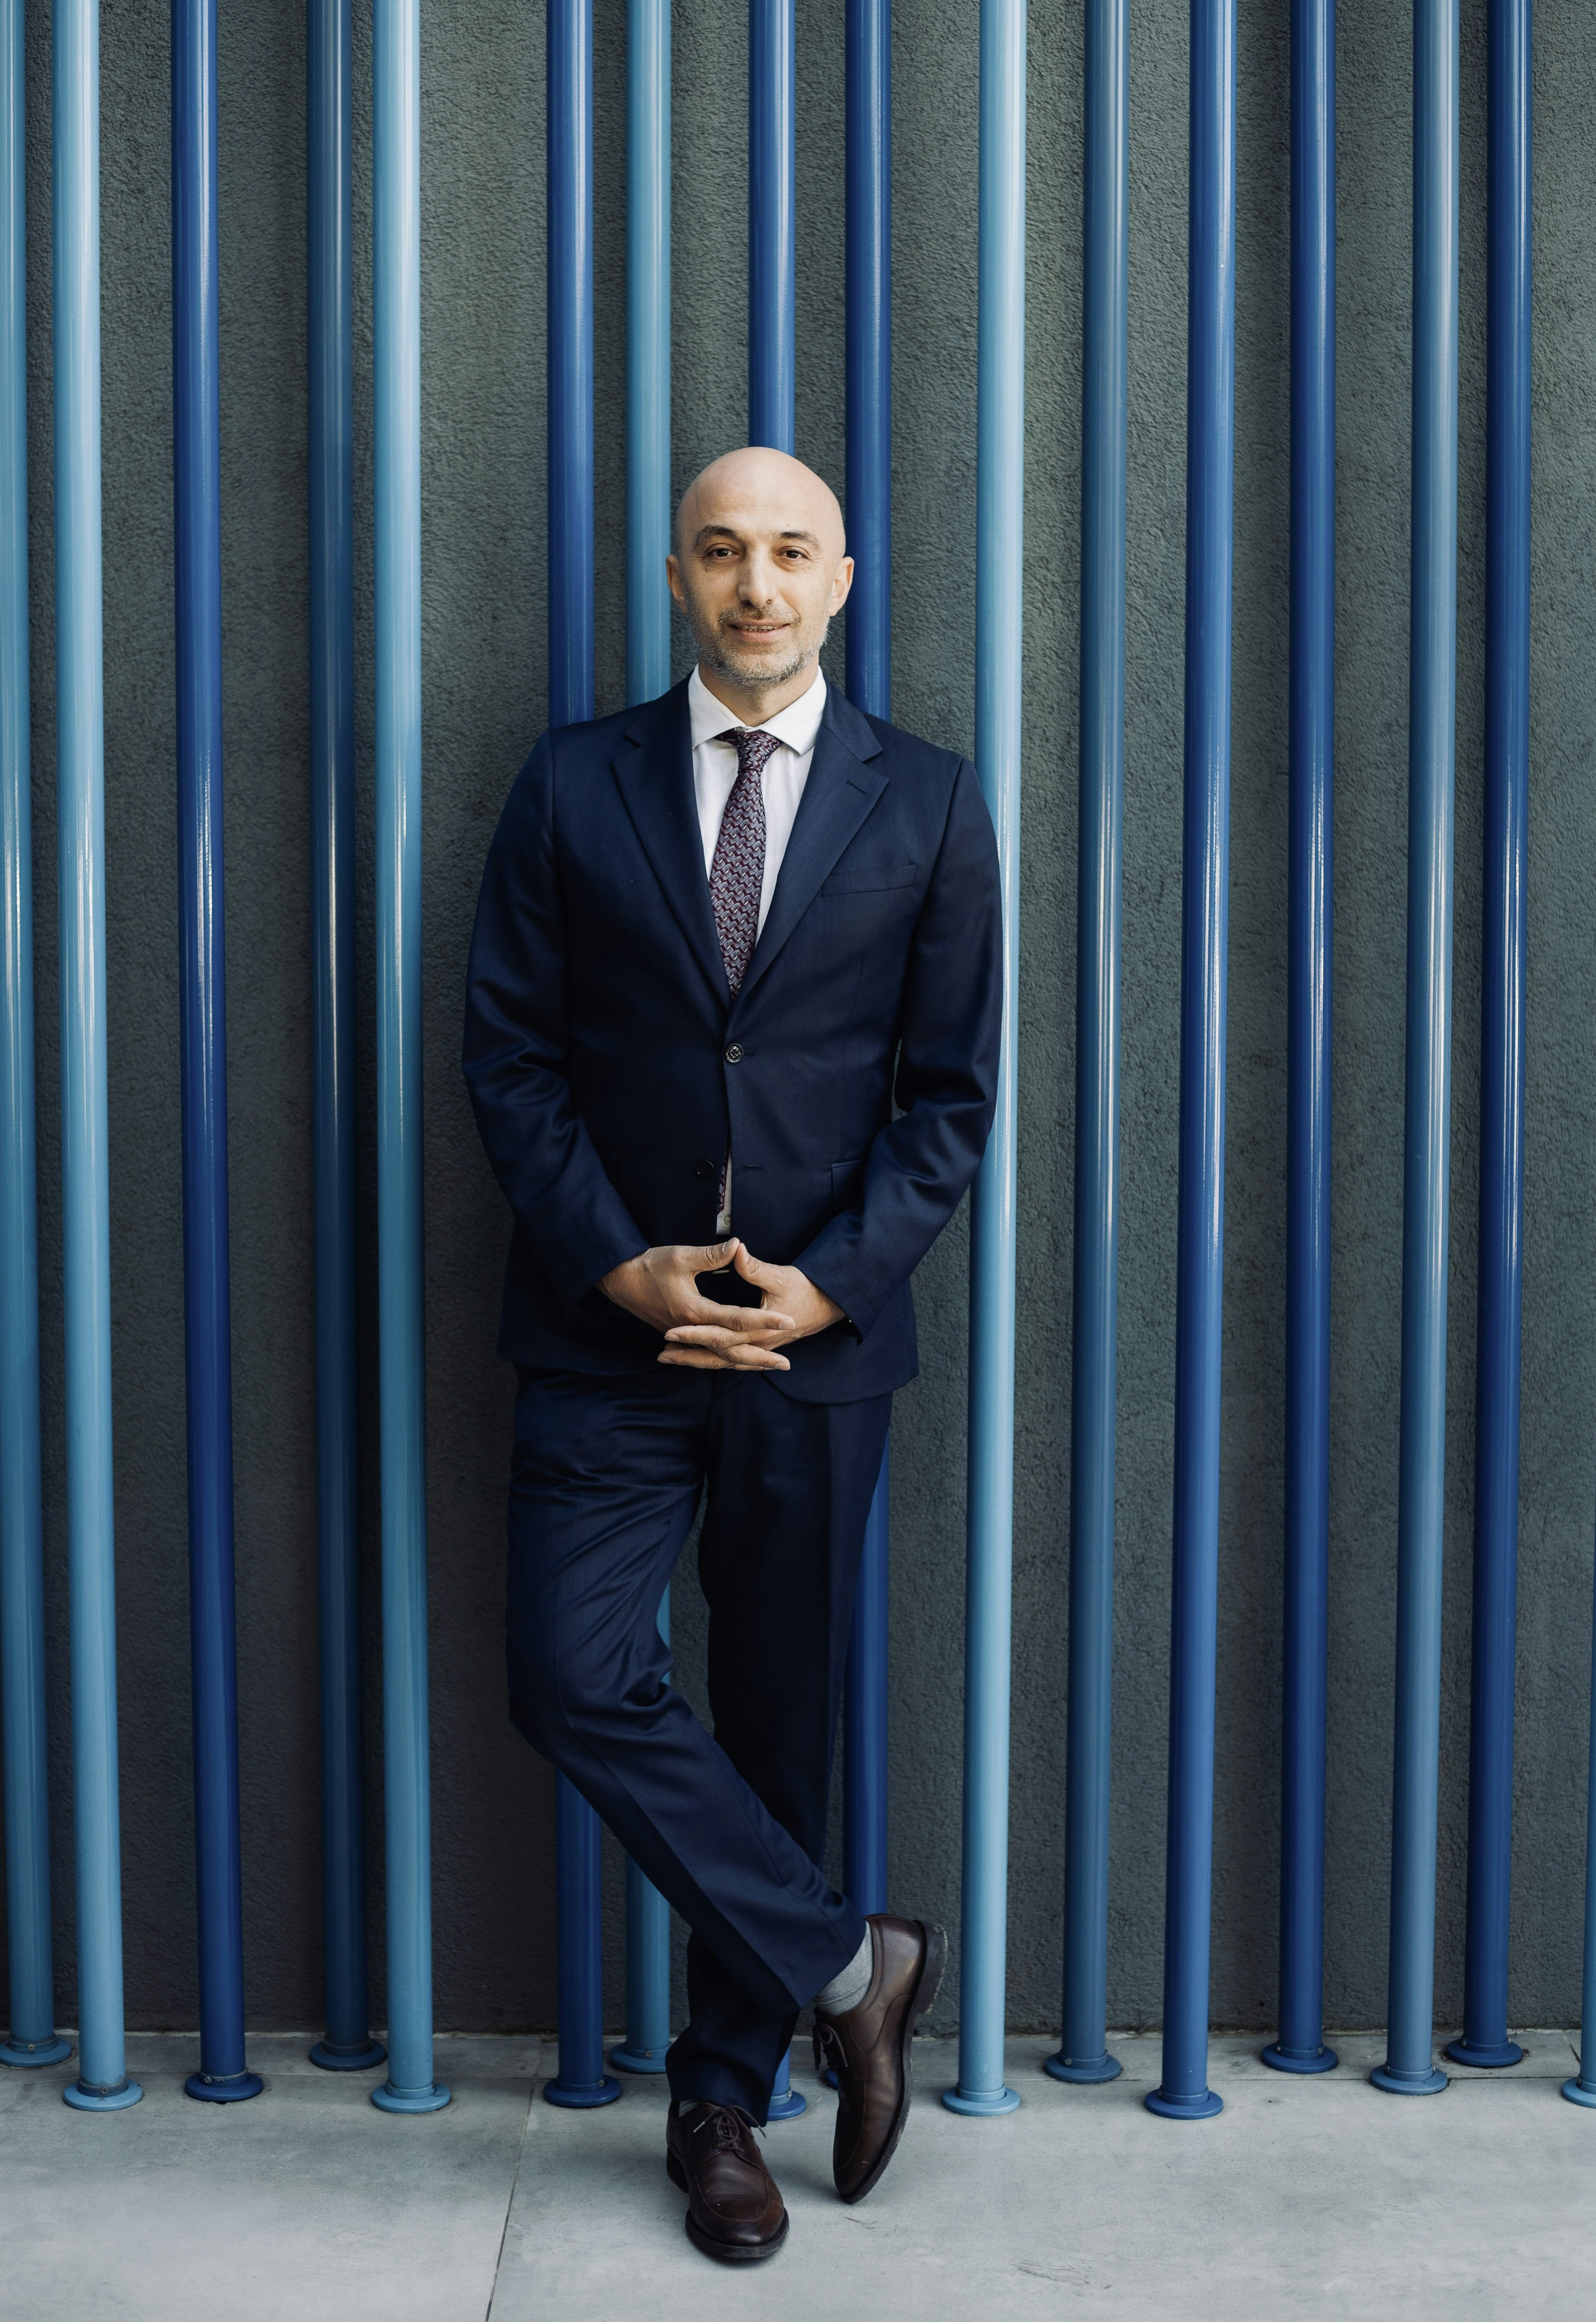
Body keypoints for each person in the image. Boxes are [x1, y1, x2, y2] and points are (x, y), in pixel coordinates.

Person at [464, 444, 1002, 2263]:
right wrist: (621, 1268)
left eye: (789, 551)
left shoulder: (931, 801)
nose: (756, 584)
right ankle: (855, 1964)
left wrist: (828, 1285)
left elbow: (949, 1098)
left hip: (810, 1355)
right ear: (678, 578)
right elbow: (510, 1057)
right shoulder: (570, 783)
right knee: (569, 1669)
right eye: (721, 550)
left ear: (840, 578)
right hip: (604, 1333)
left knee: (780, 1723)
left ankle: (721, 2101)